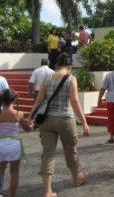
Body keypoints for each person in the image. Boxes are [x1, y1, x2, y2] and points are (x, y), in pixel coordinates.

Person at [29, 53, 90, 197]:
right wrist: (84, 122)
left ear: (57, 65)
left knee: (48, 155)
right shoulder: (71, 78)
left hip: (47, 120)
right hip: (65, 120)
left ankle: (47, 191)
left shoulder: (47, 77)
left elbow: (39, 99)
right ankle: (76, 178)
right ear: (70, 66)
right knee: (70, 150)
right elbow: (74, 102)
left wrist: (30, 117)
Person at [0, 89, 33, 197]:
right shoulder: (19, 114)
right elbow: (27, 129)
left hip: (1, 144)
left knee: (0, 172)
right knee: (14, 173)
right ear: (14, 99)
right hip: (14, 145)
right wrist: (31, 125)